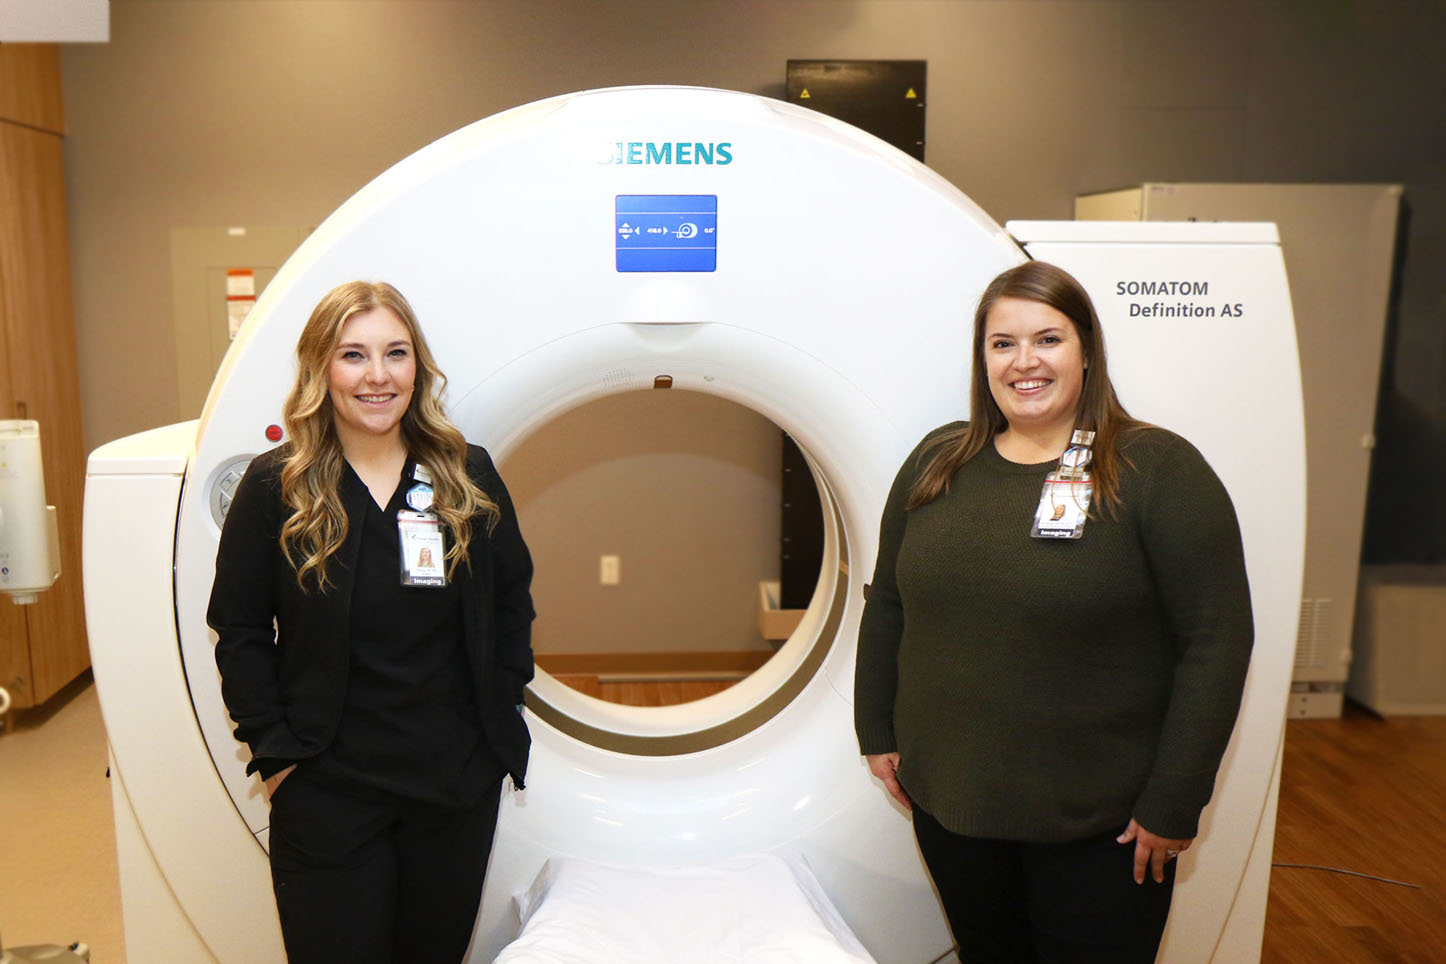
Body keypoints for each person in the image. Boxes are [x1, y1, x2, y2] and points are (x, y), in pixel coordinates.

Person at [854, 261, 1252, 963]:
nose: (1024, 361)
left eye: (1048, 338)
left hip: (1103, 827)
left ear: (1088, 351)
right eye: (1002, 343)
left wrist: (1174, 799)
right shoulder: (939, 461)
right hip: (956, 809)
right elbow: (888, 598)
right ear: (983, 360)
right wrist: (876, 727)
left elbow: (1217, 639)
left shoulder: (1154, 468)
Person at [208, 281, 535, 963]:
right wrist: (277, 758)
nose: (378, 375)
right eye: (353, 355)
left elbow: (512, 600)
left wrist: (494, 721)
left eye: (396, 353)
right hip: (325, 788)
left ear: (418, 366)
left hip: (451, 788)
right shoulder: (278, 489)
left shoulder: (465, 476)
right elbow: (238, 629)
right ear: (320, 369)